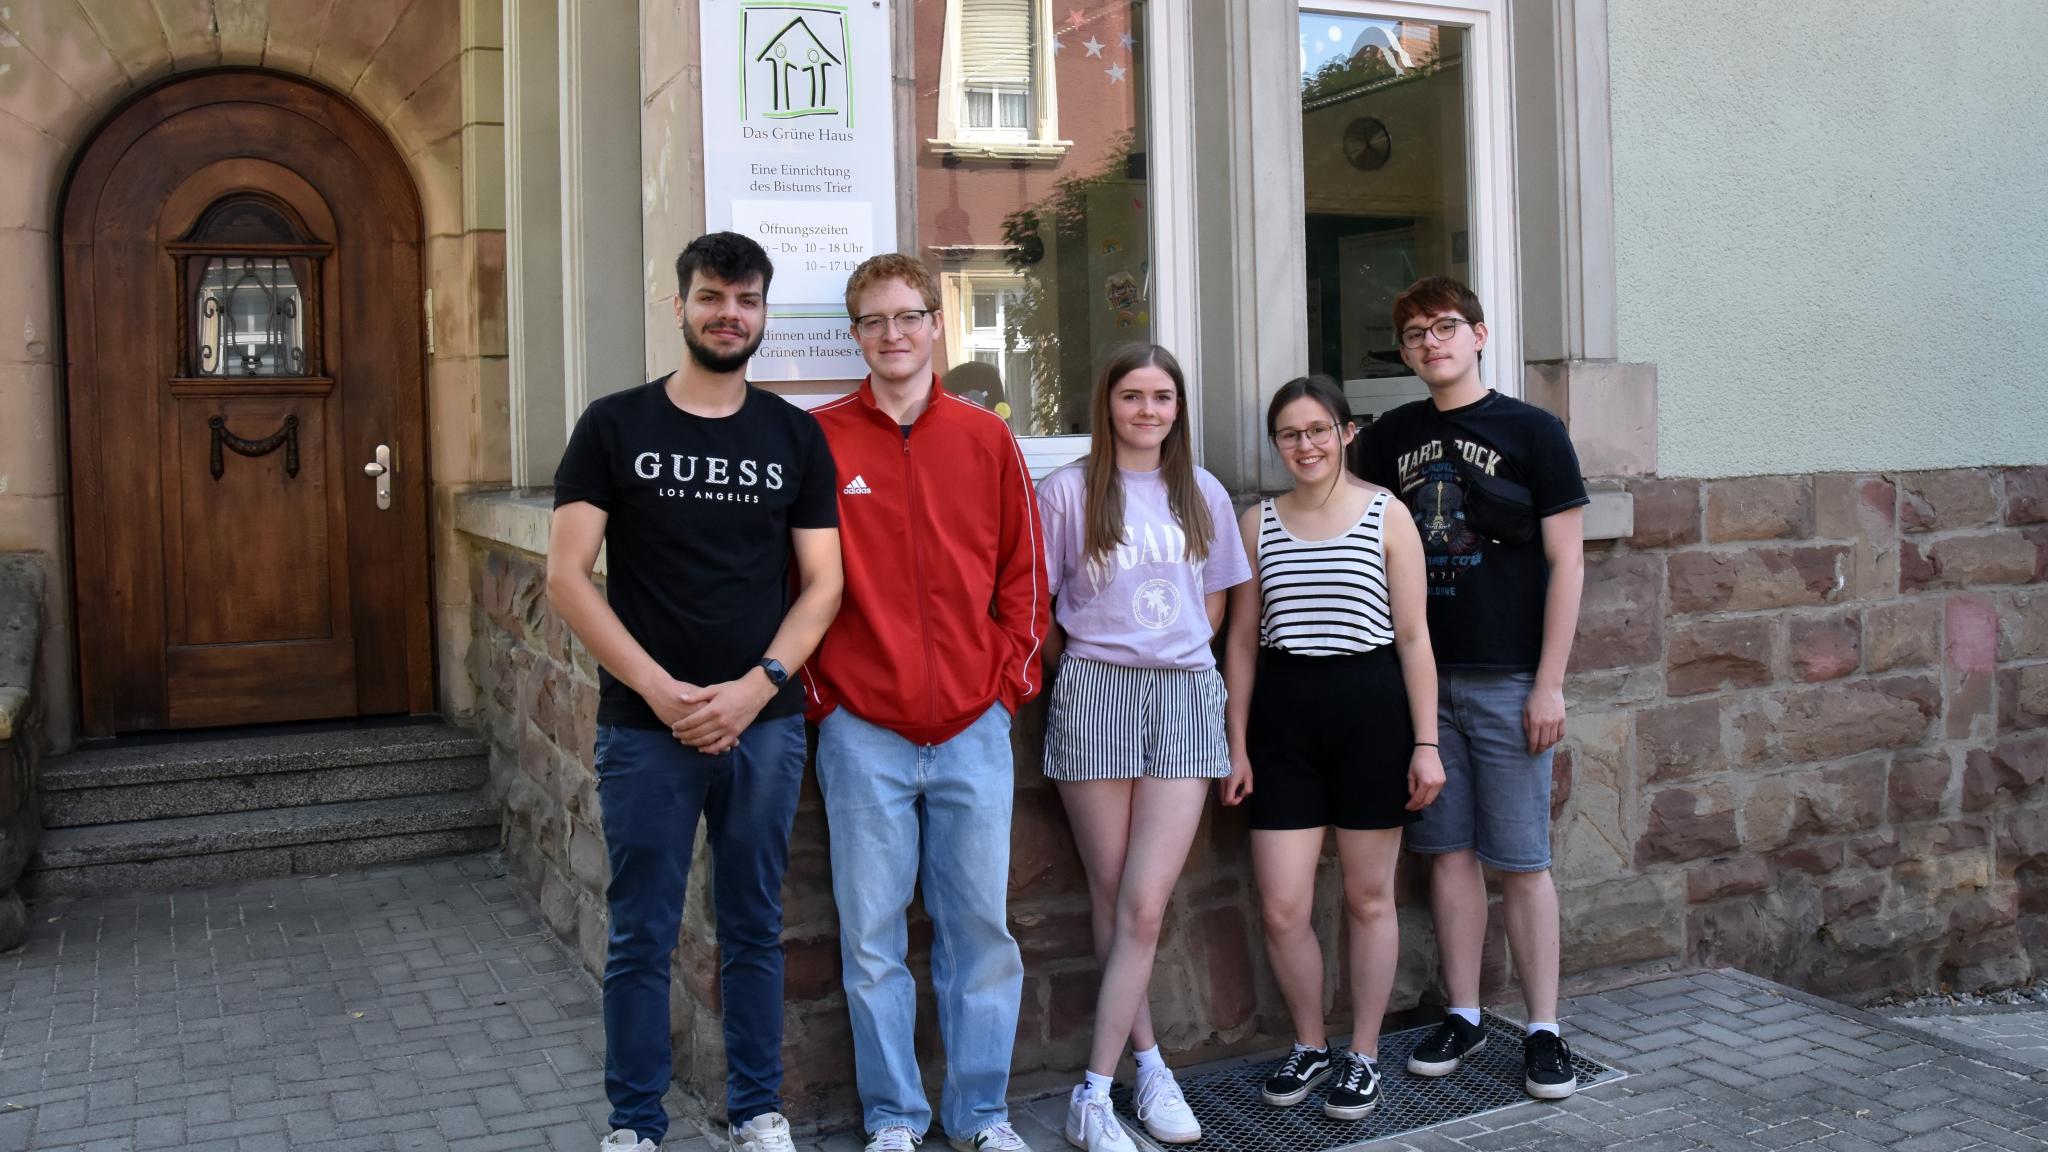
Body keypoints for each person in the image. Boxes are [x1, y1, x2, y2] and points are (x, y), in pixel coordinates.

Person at [548, 232, 843, 1152]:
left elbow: (824, 584)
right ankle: (635, 1125)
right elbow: (567, 575)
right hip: (646, 727)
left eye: (747, 300)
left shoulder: (794, 434)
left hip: (762, 726)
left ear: (764, 313)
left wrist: (755, 690)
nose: (730, 314)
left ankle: (757, 1110)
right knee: (642, 929)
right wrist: (663, 692)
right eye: (712, 296)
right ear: (678, 306)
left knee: (754, 924)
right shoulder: (614, 425)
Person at [803, 253, 1049, 1152]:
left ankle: (982, 1114)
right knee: (871, 940)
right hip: (861, 731)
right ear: (856, 334)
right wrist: (823, 696)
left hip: (973, 729)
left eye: (908, 316)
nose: (894, 334)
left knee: (980, 931)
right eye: (874, 321)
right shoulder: (820, 440)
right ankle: (895, 1118)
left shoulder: (986, 440)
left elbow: (1026, 576)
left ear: (936, 324)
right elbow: (788, 579)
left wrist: (1008, 687)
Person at [1358, 276, 1588, 1100]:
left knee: (1522, 860)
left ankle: (1544, 1029)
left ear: (1480, 334)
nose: (1431, 343)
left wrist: (1550, 684)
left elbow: (1568, 563)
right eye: (1414, 334)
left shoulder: (1534, 431)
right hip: (1421, 681)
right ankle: (1464, 1011)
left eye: (1445, 327)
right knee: (1446, 855)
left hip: (1507, 675)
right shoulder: (1388, 439)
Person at [1035, 345, 1252, 1151]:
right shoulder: (1066, 492)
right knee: (1115, 893)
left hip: (1186, 696)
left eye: (1162, 397)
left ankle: (1094, 1089)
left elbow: (1221, 600)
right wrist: (1091, 668)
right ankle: (1148, 1068)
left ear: (1178, 408)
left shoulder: (1202, 492)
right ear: (1108, 404)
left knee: (1145, 901)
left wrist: (1172, 656)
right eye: (1132, 396)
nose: (1148, 411)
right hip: (1095, 691)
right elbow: (1043, 605)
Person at [1221, 375, 1444, 1121]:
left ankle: (1364, 1054)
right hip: (1283, 722)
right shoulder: (1258, 523)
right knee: (1283, 906)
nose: (1306, 445)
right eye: (1290, 434)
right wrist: (1237, 743)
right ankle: (1312, 1045)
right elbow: (1244, 644)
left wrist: (1426, 742)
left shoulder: (1389, 516)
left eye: (1319, 430)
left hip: (1371, 716)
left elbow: (1414, 638)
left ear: (1346, 433)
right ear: (1277, 444)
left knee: (1367, 896)